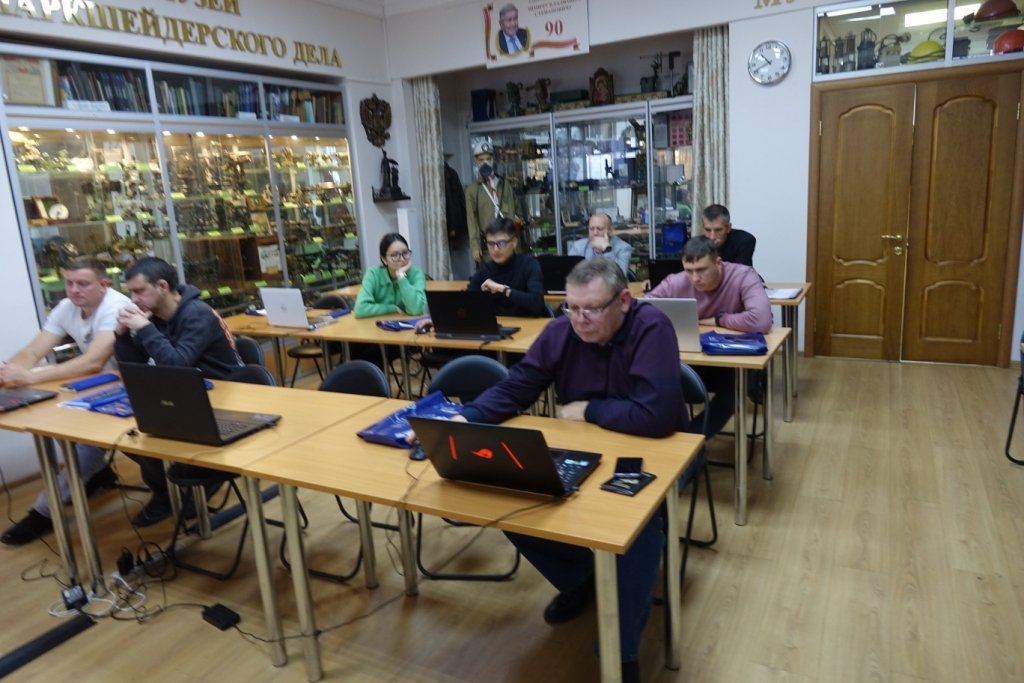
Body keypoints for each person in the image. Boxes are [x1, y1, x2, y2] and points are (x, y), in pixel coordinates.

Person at [456, 258, 684, 683]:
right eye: (572, 308)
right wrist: (466, 418)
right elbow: (518, 385)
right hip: (587, 450)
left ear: (624, 301)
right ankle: (582, 579)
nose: (580, 320)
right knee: (512, 499)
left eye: (592, 309)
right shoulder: (561, 331)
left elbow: (656, 416)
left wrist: (589, 409)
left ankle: (621, 651)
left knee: (634, 528)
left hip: (659, 452)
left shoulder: (652, 328)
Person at [1, 256, 129, 546]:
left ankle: (44, 512)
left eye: (83, 284)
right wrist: (9, 373)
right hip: (97, 386)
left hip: (130, 386)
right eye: (69, 283)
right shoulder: (66, 307)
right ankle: (96, 473)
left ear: (104, 285)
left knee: (84, 446)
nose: (74, 290)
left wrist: (28, 377)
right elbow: (32, 352)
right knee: (57, 423)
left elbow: (93, 362)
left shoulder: (116, 306)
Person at [114, 256, 243, 526]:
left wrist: (145, 329)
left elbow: (177, 365)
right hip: (185, 393)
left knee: (152, 430)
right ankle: (165, 493)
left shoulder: (197, 313)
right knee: (129, 434)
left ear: (162, 286)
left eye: (139, 291)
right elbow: (133, 367)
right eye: (131, 293)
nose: (133, 299)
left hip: (226, 395)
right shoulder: (154, 317)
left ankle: (199, 478)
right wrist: (123, 335)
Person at [646, 235, 771, 436]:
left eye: (702, 270)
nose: (695, 278)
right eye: (689, 271)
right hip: (693, 358)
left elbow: (761, 320)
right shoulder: (676, 281)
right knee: (655, 378)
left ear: (718, 263)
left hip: (733, 361)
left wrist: (719, 320)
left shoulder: (743, 276)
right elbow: (643, 310)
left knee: (733, 389)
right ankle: (673, 436)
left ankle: (693, 439)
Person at [466, 217, 545, 317]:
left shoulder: (529, 265)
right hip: (498, 325)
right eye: (491, 244)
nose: (495, 249)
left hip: (528, 323)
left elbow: (537, 302)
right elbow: (467, 302)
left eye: (501, 243)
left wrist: (503, 290)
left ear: (514, 242)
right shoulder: (485, 270)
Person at [465, 141, 526, 264]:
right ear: (476, 162)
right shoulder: (472, 191)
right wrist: (475, 247)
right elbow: (472, 221)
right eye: (481, 160)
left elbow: (518, 210)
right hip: (490, 247)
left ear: (494, 160)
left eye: (489, 159)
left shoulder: (505, 185)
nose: (485, 163)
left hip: (509, 244)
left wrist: (518, 219)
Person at [354, 233, 427, 318]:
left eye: (405, 253)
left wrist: (401, 276)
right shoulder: (373, 274)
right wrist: (393, 308)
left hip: (409, 324)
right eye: (395, 255)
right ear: (384, 259)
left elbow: (416, 309)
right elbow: (360, 309)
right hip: (379, 324)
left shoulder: (416, 273)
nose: (402, 259)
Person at [568, 211, 633, 277]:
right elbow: (569, 274)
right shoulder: (578, 247)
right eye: (591, 229)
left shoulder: (623, 248)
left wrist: (606, 250)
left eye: (599, 229)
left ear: (610, 230)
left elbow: (620, 277)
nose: (595, 233)